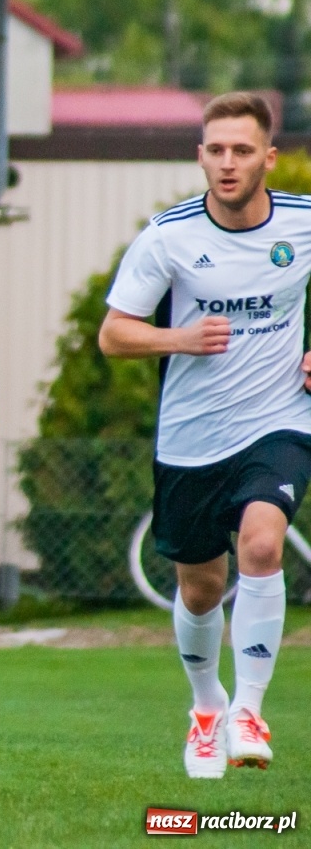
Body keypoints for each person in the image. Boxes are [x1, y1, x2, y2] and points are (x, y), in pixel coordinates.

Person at [100, 92, 308, 779]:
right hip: (190, 441)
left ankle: (249, 708)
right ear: (200, 156)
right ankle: (207, 707)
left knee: (262, 542)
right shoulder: (169, 237)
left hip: (278, 421)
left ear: (267, 158)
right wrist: (179, 338)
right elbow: (114, 333)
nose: (227, 162)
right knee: (199, 589)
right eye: (215, 149)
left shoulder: (304, 225)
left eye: (242, 150)